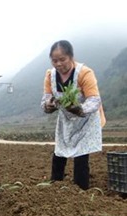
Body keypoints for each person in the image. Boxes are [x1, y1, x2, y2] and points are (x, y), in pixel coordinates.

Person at [41, 40, 106, 190]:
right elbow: (45, 99)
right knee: (59, 153)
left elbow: (94, 99)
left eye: (62, 59)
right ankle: (54, 186)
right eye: (54, 60)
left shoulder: (84, 73)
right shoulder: (50, 75)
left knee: (81, 157)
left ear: (71, 57)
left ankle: (80, 191)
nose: (58, 64)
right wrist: (48, 105)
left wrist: (79, 109)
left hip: (86, 121)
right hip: (67, 120)